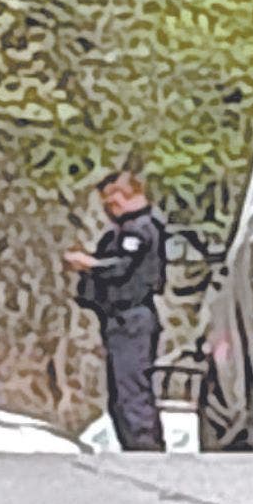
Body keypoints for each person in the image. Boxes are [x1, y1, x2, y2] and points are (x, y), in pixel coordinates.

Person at [64, 168, 168, 453]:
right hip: (116, 319)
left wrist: (91, 265)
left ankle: (145, 450)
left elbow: (121, 267)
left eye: (112, 202)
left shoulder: (141, 229)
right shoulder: (121, 232)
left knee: (132, 391)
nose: (109, 210)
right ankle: (132, 447)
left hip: (132, 318)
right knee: (119, 396)